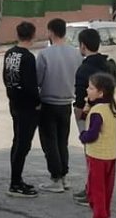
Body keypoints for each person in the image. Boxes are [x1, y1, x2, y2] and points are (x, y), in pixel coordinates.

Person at [35, 18, 82, 193]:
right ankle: (64, 176)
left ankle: (55, 178)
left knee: (50, 142)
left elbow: (38, 79)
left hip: (48, 103)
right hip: (66, 103)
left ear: (51, 32)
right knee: (63, 141)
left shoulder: (44, 54)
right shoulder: (76, 53)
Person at [71, 28, 112, 205]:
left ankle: (92, 191)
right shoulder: (107, 64)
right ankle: (96, 188)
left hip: (89, 114)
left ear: (83, 45)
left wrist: (79, 113)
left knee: (91, 153)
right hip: (108, 113)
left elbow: (80, 96)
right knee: (102, 154)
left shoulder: (84, 69)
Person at [78, 73, 116, 218]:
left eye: (91, 88)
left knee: (96, 190)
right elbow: (85, 116)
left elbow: (92, 133)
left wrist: (83, 136)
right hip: (110, 155)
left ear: (100, 92)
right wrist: (88, 104)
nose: (87, 90)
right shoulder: (110, 107)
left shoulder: (97, 111)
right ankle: (105, 215)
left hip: (97, 156)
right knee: (106, 188)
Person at [3, 21, 41, 198]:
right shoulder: (28, 57)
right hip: (27, 106)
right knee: (23, 144)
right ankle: (15, 183)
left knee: (17, 141)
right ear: (32, 35)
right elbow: (30, 84)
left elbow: (6, 78)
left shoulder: (9, 53)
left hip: (14, 103)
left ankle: (16, 179)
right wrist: (37, 102)